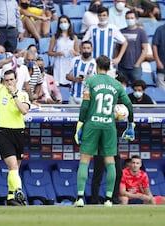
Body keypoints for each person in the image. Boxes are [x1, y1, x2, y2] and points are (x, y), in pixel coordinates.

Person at [74, 55, 135, 207]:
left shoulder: (90, 81)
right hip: (109, 125)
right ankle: (108, 199)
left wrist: (81, 123)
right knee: (110, 162)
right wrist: (131, 123)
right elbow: (128, 104)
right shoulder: (117, 85)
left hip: (92, 124)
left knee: (85, 160)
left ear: (96, 66)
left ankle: (80, 198)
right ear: (109, 68)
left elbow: (85, 105)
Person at [0, 39, 30, 206]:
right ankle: (19, 192)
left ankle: (10, 197)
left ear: (16, 80)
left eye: (11, 80)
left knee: (15, 167)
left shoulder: (22, 95)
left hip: (19, 132)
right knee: (13, 165)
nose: (9, 83)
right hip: (4, 132)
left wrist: (14, 95)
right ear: (2, 81)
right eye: (6, 80)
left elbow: (23, 111)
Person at [48, 15, 80, 87]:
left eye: (65, 22)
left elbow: (78, 53)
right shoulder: (55, 37)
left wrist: (74, 52)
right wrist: (57, 53)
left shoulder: (74, 37)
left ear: (69, 24)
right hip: (59, 63)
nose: (63, 24)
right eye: (61, 22)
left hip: (70, 63)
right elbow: (49, 52)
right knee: (58, 84)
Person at [118, 10, 148, 83]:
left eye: (132, 18)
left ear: (136, 19)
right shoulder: (121, 32)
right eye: (128, 18)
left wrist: (137, 64)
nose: (129, 20)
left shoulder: (141, 32)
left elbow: (145, 49)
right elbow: (117, 48)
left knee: (137, 87)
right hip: (122, 66)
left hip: (135, 67)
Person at [66, 41, 97, 105]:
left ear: (91, 49)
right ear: (81, 49)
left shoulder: (95, 63)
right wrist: (74, 79)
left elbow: (98, 80)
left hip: (86, 97)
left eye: (88, 48)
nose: (86, 50)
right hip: (73, 95)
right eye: (84, 48)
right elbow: (67, 75)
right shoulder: (75, 60)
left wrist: (91, 78)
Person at [152, 23, 165, 90]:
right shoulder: (160, 29)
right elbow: (154, 45)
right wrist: (157, 61)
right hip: (162, 66)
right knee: (162, 92)